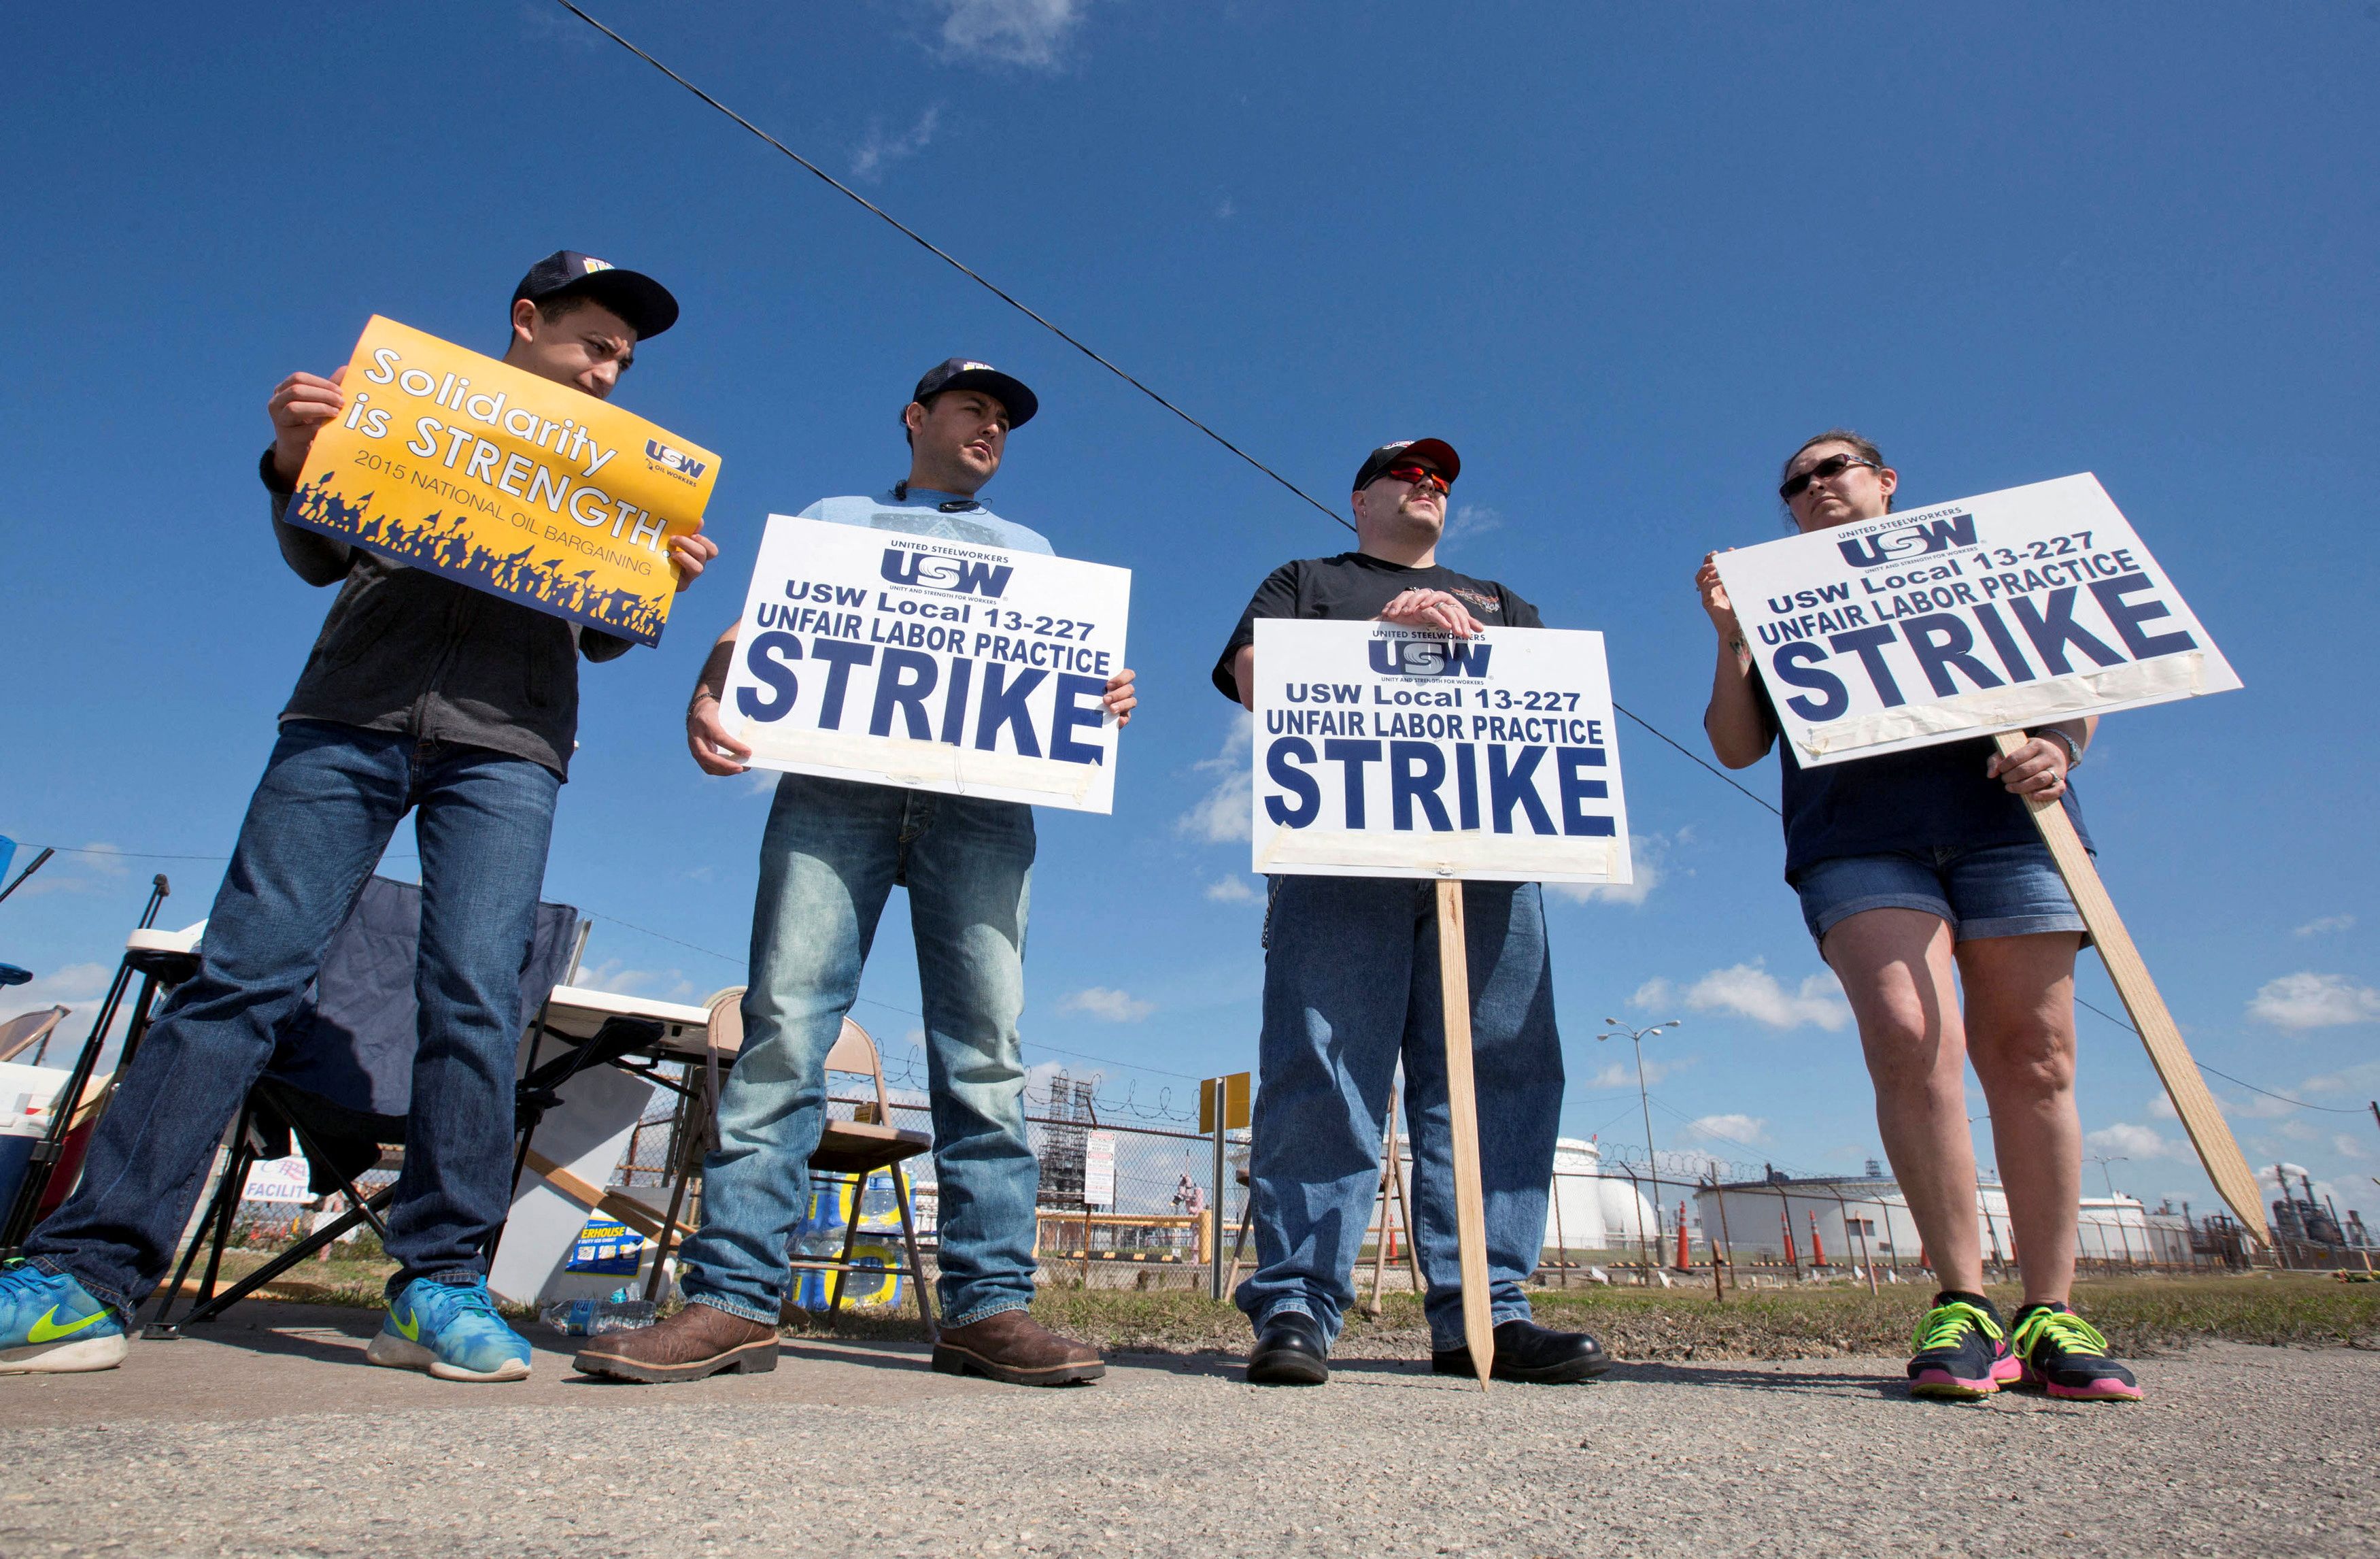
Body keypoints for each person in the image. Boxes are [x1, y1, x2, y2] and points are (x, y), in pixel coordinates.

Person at [0, 252, 720, 1381]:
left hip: (511, 748)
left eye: (624, 360)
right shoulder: (410, 413)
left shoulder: (618, 475)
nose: (608, 371)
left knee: (478, 1000)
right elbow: (318, 547)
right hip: (348, 717)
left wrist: (656, 576)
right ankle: (84, 1276)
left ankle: (437, 1286)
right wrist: (295, 453)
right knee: (241, 976)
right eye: (594, 343)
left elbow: (604, 629)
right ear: (525, 323)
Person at [575, 358, 1137, 1387]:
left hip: (983, 803)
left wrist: (1095, 695)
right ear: (916, 417)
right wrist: (712, 682)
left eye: (1006, 418)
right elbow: (764, 631)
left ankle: (988, 1309)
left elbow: (1056, 661)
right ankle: (733, 1300)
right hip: (837, 791)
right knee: (786, 1027)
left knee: (987, 1052)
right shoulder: (833, 517)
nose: (993, 427)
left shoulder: (1033, 550)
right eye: (974, 407)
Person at [1697, 430, 2141, 1403]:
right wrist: (1730, 633)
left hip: (2011, 828)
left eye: (1833, 470)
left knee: (2035, 1054)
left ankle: (2053, 1309)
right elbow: (1735, 743)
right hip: (1859, 837)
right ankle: (1963, 1301)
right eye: (1795, 485)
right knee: (1909, 1036)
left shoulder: (1980, 559)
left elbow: (2072, 673)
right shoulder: (1779, 596)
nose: (1813, 490)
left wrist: (2060, 750)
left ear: (1885, 482)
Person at [1212, 439, 1608, 1388]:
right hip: (1340, 856)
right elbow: (1256, 683)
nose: (1426, 486)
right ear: (1358, 499)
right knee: (1325, 1066)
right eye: (1405, 474)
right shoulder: (1306, 581)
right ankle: (1299, 1302)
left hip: (1490, 863)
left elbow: (1549, 704)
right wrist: (1380, 638)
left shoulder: (1503, 603)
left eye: (1440, 480)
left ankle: (1486, 1307)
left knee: (1500, 1071)